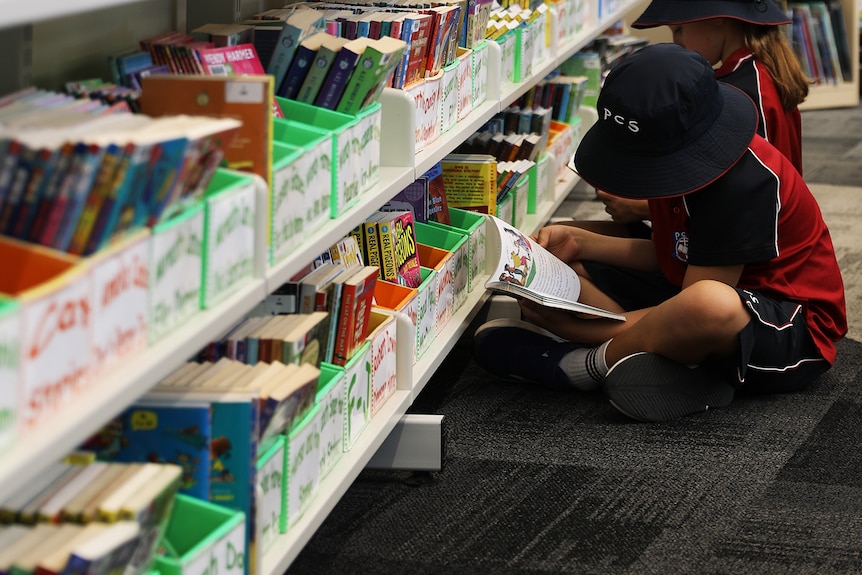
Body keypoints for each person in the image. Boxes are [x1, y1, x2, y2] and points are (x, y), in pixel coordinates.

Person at [472, 43, 847, 422]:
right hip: (704, 286)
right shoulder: (684, 159)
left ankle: (585, 364)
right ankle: (663, 359)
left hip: (791, 327)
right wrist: (581, 241)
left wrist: (579, 330)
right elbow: (674, 253)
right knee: (568, 251)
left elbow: (698, 297)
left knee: (706, 304)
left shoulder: (742, 183)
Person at [571, 0, 810, 237]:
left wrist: (640, 207)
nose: (677, 42)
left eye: (679, 30)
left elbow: (750, 198)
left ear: (717, 19)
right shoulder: (755, 72)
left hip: (754, 250)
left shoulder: (745, 94)